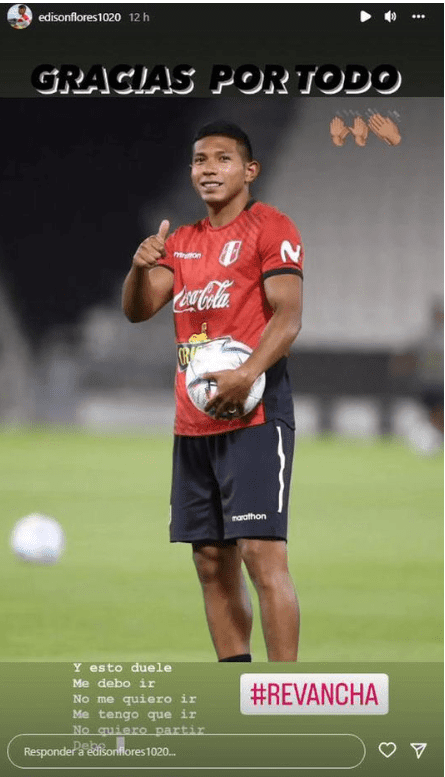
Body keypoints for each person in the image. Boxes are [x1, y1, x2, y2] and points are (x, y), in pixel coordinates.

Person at [122, 122, 304, 662]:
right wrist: (139, 269)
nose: (209, 168)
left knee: (261, 555)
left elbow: (289, 317)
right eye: (200, 159)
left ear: (250, 171)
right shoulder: (181, 242)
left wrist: (248, 373)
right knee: (210, 560)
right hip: (194, 420)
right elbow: (137, 310)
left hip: (255, 417)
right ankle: (236, 685)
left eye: (223, 159)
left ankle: (285, 693)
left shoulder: (271, 227)